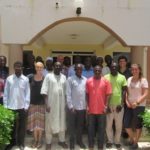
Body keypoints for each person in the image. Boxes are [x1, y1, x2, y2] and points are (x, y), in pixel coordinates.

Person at [41, 62, 68, 150]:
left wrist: (66, 104)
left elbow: (66, 92)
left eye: (59, 66)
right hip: (51, 104)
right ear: (53, 67)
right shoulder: (48, 76)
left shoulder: (64, 77)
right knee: (49, 123)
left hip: (62, 104)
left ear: (61, 68)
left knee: (62, 122)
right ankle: (48, 142)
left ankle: (62, 140)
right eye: (56, 65)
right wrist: (46, 104)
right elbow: (44, 91)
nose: (57, 67)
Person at [3, 61, 30, 150]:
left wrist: (26, 106)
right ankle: (11, 143)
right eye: (16, 66)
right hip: (11, 107)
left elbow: (27, 93)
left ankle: (21, 143)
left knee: (22, 127)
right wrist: (5, 106)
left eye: (19, 66)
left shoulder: (25, 79)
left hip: (22, 107)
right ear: (14, 67)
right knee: (12, 127)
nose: (18, 68)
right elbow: (6, 93)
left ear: (22, 68)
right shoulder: (9, 79)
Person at [86, 65, 112, 150]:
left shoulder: (106, 81)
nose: (97, 72)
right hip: (91, 110)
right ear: (93, 71)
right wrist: (87, 105)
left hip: (102, 110)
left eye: (99, 71)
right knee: (91, 130)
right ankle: (91, 146)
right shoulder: (89, 81)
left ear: (101, 71)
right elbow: (87, 94)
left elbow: (108, 94)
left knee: (101, 130)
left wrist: (106, 106)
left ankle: (100, 147)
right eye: (96, 70)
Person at [124, 64, 149, 149]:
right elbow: (127, 92)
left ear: (139, 70)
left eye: (136, 69)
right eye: (132, 69)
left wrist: (137, 103)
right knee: (126, 124)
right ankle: (132, 139)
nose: (134, 71)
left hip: (139, 106)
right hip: (129, 105)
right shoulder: (129, 79)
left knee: (138, 125)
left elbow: (145, 94)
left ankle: (135, 142)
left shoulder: (143, 80)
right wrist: (126, 101)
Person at [104, 62, 127, 149]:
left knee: (118, 125)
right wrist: (106, 105)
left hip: (118, 105)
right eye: (112, 67)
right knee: (108, 125)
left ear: (118, 68)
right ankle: (110, 141)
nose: (113, 68)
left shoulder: (122, 77)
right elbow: (103, 91)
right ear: (110, 68)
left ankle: (117, 141)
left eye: (115, 67)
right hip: (109, 104)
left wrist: (122, 104)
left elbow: (124, 91)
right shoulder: (105, 77)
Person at [66, 63, 87, 149]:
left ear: (82, 70)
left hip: (82, 108)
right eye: (77, 69)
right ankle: (72, 142)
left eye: (80, 69)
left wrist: (86, 106)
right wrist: (70, 106)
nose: (79, 70)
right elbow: (68, 94)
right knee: (72, 126)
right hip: (73, 108)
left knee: (80, 126)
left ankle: (79, 141)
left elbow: (86, 94)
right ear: (75, 70)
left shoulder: (85, 80)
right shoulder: (70, 79)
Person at [27, 62, 45, 149]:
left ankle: (39, 140)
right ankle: (35, 140)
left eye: (40, 67)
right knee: (34, 125)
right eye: (37, 67)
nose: (39, 69)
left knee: (40, 125)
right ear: (35, 68)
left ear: (43, 68)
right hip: (32, 103)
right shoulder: (30, 77)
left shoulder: (45, 78)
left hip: (42, 104)